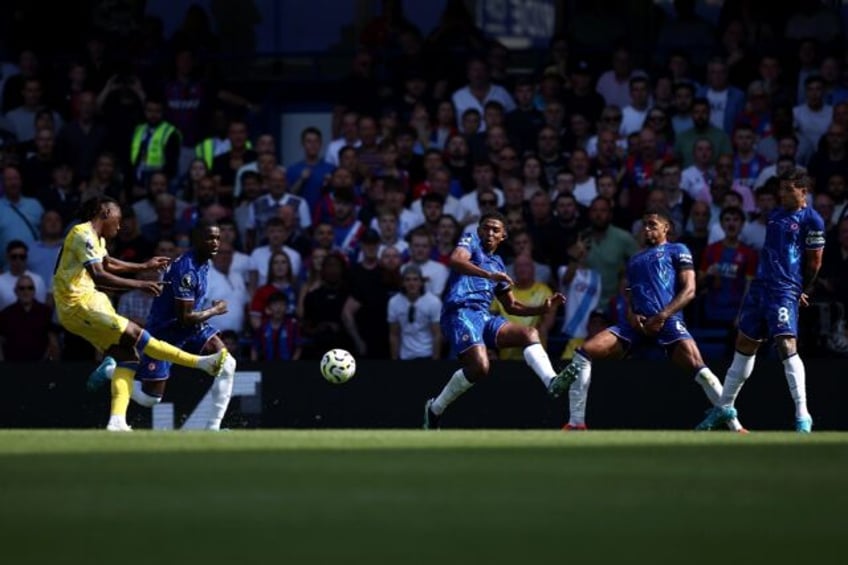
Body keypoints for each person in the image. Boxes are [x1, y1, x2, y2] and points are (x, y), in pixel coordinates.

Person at [555, 207, 744, 432]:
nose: (646, 229)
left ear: (667, 228)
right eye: (644, 224)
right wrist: (633, 316)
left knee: (699, 369)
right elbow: (631, 298)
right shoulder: (634, 260)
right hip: (637, 326)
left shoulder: (677, 249)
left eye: (652, 224)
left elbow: (690, 290)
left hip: (668, 320)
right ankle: (576, 423)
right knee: (584, 352)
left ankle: (736, 427)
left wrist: (662, 316)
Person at [53, 197, 232, 431]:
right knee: (140, 340)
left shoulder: (97, 238)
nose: (120, 225)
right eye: (118, 218)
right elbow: (99, 275)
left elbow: (106, 263)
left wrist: (144, 266)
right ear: (105, 212)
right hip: (76, 305)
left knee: (128, 357)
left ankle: (117, 421)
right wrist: (139, 284)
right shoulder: (81, 233)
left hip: (92, 301)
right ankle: (201, 364)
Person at [697, 170, 825, 433]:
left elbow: (815, 262)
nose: (783, 194)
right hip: (760, 287)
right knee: (744, 343)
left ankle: (803, 416)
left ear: (803, 191)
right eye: (781, 189)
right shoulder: (776, 214)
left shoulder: (812, 220)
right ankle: (724, 408)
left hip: (783, 288)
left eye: (789, 189)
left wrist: (800, 288)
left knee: (786, 344)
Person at [423, 211, 569, 429]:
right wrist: (489, 276)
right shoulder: (470, 241)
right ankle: (435, 409)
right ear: (479, 229)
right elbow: (456, 260)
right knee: (481, 367)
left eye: (495, 230)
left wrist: (542, 308)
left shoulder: (498, 264)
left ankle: (551, 381)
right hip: (460, 312)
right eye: (486, 228)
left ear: (503, 236)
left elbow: (511, 305)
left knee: (529, 334)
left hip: (483, 316)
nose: (489, 233)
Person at [89, 220, 238, 430]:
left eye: (217, 238)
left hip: (191, 329)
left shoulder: (204, 261)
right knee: (151, 399)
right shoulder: (185, 270)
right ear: (196, 241)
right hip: (164, 333)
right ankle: (111, 371)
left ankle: (213, 429)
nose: (215, 243)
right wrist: (215, 310)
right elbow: (184, 317)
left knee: (227, 364)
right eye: (209, 238)